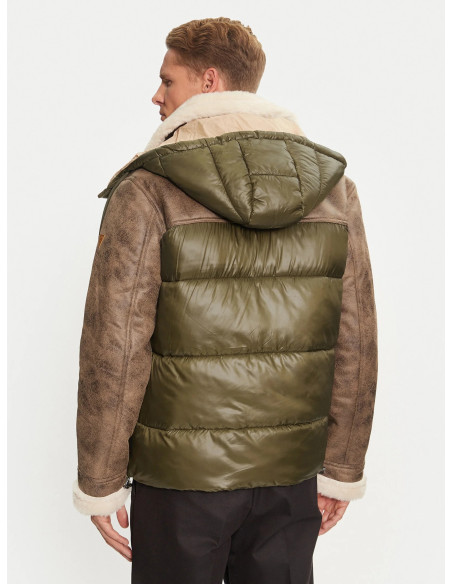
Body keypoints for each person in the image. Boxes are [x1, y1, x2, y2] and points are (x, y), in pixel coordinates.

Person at [72, 17, 378, 584]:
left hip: (180, 484)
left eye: (168, 80)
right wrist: (340, 467)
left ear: (209, 81)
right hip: (289, 479)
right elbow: (356, 340)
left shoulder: (148, 190)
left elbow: (115, 348)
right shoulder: (334, 191)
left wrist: (100, 480)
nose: (157, 95)